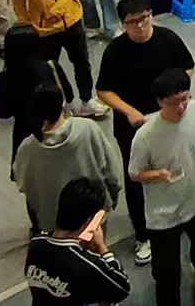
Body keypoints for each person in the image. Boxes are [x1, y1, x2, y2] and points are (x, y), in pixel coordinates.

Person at [96, 0, 195, 265]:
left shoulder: (167, 39)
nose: (140, 26)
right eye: (132, 22)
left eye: (144, 18)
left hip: (168, 120)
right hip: (134, 126)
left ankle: (179, 217)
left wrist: (177, 96)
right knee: (137, 179)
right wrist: (129, 111)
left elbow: (187, 68)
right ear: (123, 24)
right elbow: (103, 90)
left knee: (175, 168)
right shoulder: (115, 51)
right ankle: (143, 235)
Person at [128, 68, 195, 306]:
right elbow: (134, 173)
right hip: (163, 215)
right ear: (159, 102)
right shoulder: (145, 135)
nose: (181, 107)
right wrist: (157, 174)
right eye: (173, 102)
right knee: (166, 278)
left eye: (184, 99)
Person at [24, 176, 133, 306]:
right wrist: (102, 248)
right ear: (89, 221)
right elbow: (122, 286)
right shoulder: (85, 264)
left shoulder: (36, 245)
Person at [13, 84, 122, 234]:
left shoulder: (28, 148)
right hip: (92, 217)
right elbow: (111, 171)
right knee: (96, 247)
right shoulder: (87, 129)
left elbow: (26, 188)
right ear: (62, 104)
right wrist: (112, 197)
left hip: (55, 224)